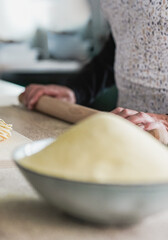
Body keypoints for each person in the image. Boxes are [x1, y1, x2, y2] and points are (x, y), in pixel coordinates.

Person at [22, 1, 168, 141]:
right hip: (127, 132)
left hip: (159, 134)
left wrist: (164, 120)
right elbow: (127, 43)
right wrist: (76, 89)